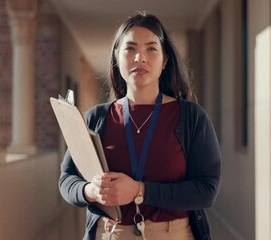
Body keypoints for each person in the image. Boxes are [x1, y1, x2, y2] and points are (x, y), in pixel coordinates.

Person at [59, 12, 221, 240]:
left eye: (151, 49)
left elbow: (207, 191)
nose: (139, 58)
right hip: (109, 234)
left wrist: (139, 190)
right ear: (117, 57)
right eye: (130, 48)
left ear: (165, 60)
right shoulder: (97, 117)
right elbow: (67, 179)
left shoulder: (191, 116)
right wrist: (90, 191)